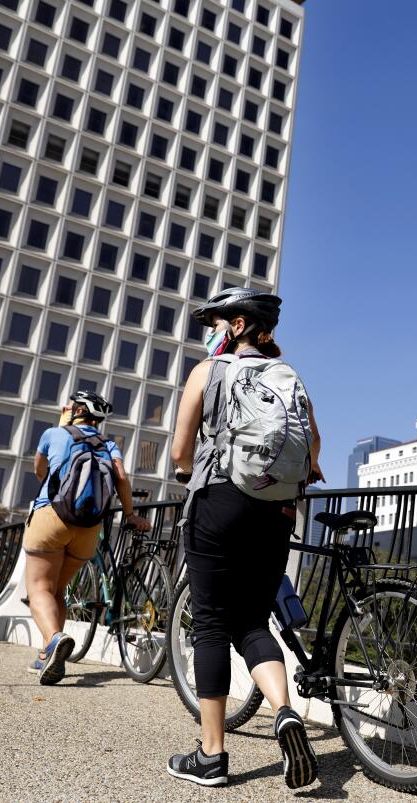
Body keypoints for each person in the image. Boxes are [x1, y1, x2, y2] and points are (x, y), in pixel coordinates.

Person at [166, 289, 324, 789]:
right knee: (254, 621)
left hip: (221, 502)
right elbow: (314, 443)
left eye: (213, 324)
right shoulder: (289, 376)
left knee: (211, 624)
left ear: (235, 326)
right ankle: (284, 713)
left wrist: (186, 471)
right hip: (276, 509)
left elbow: (179, 450)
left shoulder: (208, 372)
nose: (209, 332)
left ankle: (212, 756)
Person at [23, 390, 150, 685]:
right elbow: (120, 477)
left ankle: (54, 638)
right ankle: (47, 655)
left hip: (51, 517)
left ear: (76, 410)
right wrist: (130, 515)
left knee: (39, 589)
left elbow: (39, 470)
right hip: (89, 527)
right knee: (58, 590)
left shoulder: (54, 433)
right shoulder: (108, 443)